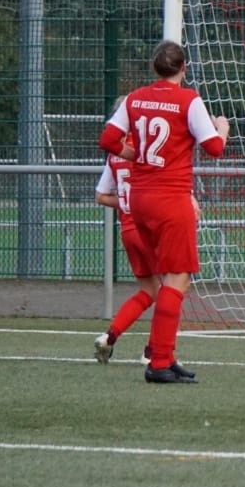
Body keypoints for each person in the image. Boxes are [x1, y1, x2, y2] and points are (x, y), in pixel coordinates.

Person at [100, 40, 228, 384]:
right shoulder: (189, 100)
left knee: (167, 280)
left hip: (139, 201)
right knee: (177, 278)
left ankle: (165, 358)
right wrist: (223, 128)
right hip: (170, 198)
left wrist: (136, 155)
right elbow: (214, 149)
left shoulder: (134, 98)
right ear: (184, 68)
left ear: (154, 68)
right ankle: (159, 362)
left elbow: (108, 140)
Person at [92, 99, 161, 366]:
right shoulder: (147, 150)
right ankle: (152, 352)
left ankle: (109, 337)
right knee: (172, 289)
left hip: (128, 230)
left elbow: (100, 196)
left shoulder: (115, 155)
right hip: (149, 229)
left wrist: (126, 202)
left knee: (148, 290)